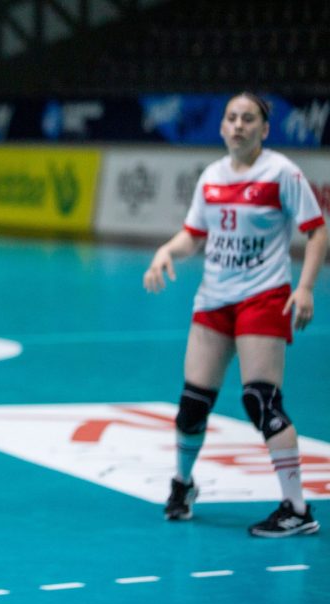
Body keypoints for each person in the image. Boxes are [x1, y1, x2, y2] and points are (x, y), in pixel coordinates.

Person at [144, 92, 325, 537]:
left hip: (263, 297)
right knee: (192, 404)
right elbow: (194, 234)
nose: (238, 125)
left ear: (264, 129)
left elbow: (317, 231)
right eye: (231, 118)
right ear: (222, 126)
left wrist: (305, 287)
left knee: (261, 400)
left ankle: (297, 508)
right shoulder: (212, 176)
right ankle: (183, 485)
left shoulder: (281, 173)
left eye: (248, 119)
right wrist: (167, 251)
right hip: (214, 300)